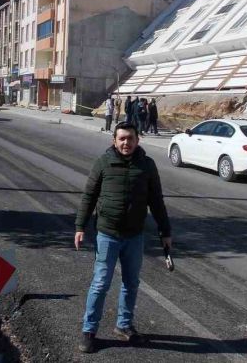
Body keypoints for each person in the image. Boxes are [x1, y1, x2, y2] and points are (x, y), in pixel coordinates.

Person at [74, 122, 172, 353]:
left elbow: (156, 201)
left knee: (131, 283)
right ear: (114, 141)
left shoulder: (147, 165)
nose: (126, 143)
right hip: (107, 234)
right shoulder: (104, 163)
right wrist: (80, 226)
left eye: (130, 138)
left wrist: (165, 231)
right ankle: (89, 331)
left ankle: (124, 326)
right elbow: (89, 195)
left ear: (138, 140)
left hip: (134, 236)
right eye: (122, 139)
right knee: (100, 283)